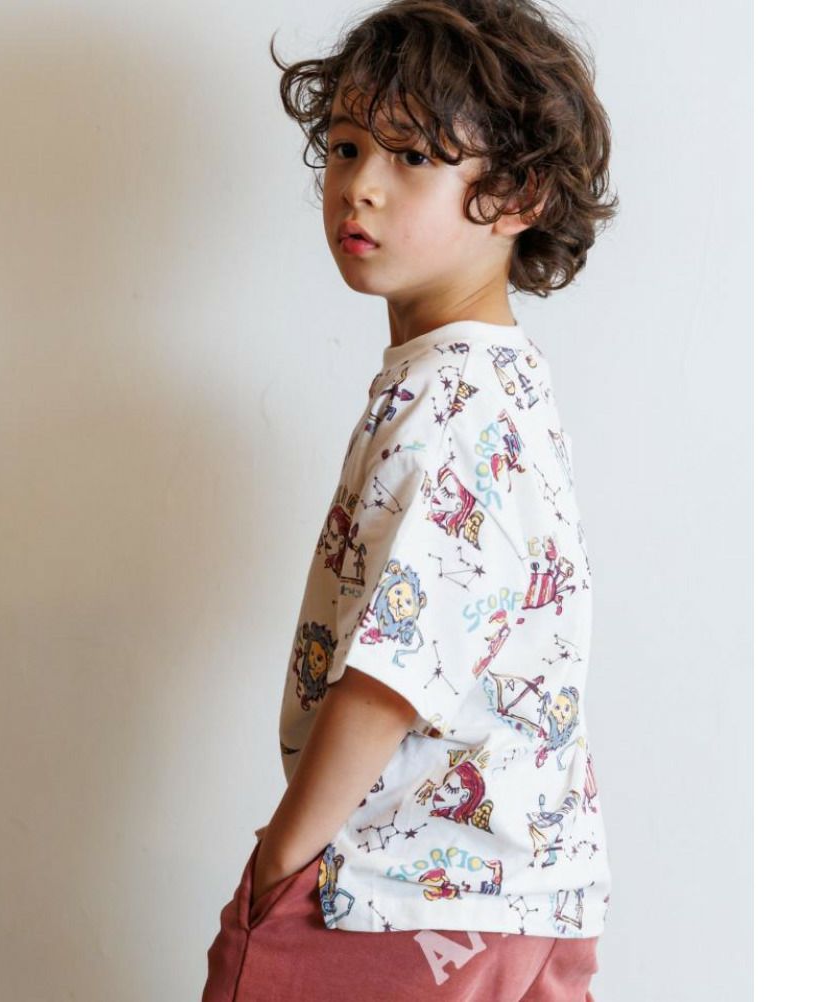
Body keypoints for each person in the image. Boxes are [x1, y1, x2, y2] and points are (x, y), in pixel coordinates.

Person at [202, 1, 618, 998]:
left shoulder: (449, 398)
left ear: (515, 194)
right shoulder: (504, 380)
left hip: (399, 902)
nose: (361, 186)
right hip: (527, 898)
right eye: (347, 147)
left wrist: (279, 862)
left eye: (415, 157)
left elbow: (397, 669)